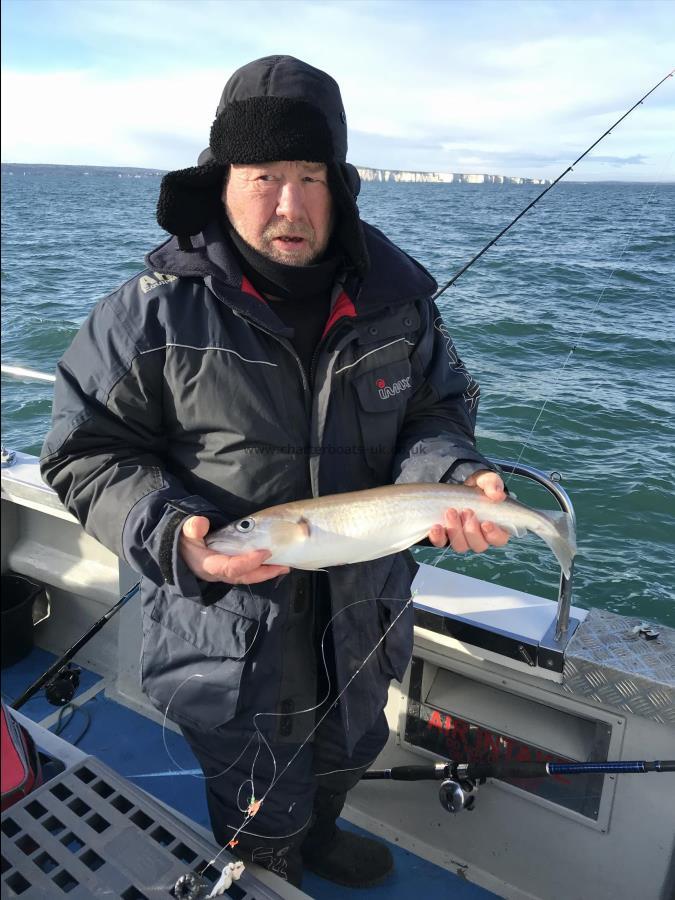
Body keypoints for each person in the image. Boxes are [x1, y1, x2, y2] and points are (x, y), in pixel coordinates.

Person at [40, 55, 509, 889]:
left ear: (342, 185)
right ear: (222, 179)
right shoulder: (148, 313)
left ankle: (318, 835)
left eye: (310, 175)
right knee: (255, 795)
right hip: (227, 634)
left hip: (365, 613)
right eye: (264, 175)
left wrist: (453, 473)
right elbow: (84, 449)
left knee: (348, 748)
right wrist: (172, 533)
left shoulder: (398, 306)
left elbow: (435, 412)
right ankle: (265, 862)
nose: (289, 204)